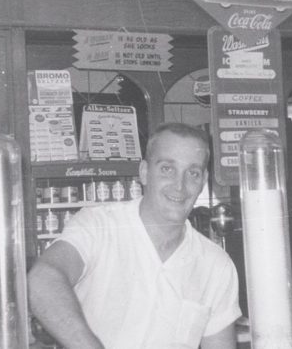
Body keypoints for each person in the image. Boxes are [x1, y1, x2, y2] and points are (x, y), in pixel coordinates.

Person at [28, 122, 242, 348]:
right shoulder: (99, 226)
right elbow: (42, 279)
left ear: (203, 181)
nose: (180, 186)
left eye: (193, 173)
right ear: (144, 173)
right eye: (167, 169)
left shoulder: (217, 266)